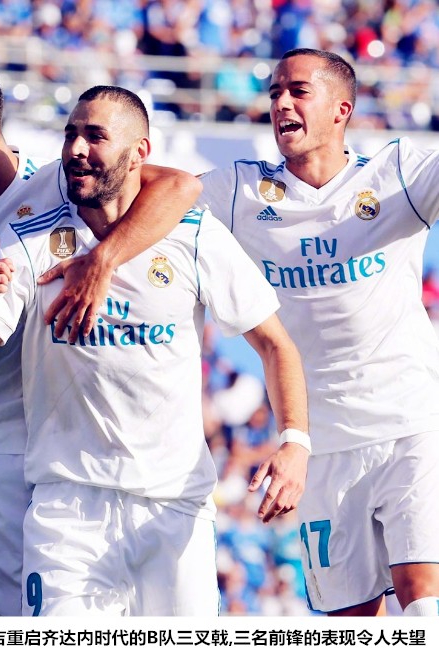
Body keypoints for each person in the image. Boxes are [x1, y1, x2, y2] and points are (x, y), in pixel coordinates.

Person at [0, 85, 310, 617]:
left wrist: (295, 442)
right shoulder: (30, 241)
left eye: (95, 136)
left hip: (174, 507)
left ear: (139, 153)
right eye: (70, 134)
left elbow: (274, 343)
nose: (76, 149)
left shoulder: (194, 235)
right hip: (69, 512)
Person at [0, 61, 203, 617]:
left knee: (25, 631)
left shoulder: (55, 181)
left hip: (33, 459)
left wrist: (101, 261)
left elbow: (181, 185)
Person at [198, 48, 439, 616]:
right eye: (274, 92)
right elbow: (155, 192)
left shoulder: (398, 176)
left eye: (298, 91)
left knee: (423, 603)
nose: (281, 102)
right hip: (318, 446)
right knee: (352, 628)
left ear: (341, 109)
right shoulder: (241, 193)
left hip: (410, 426)